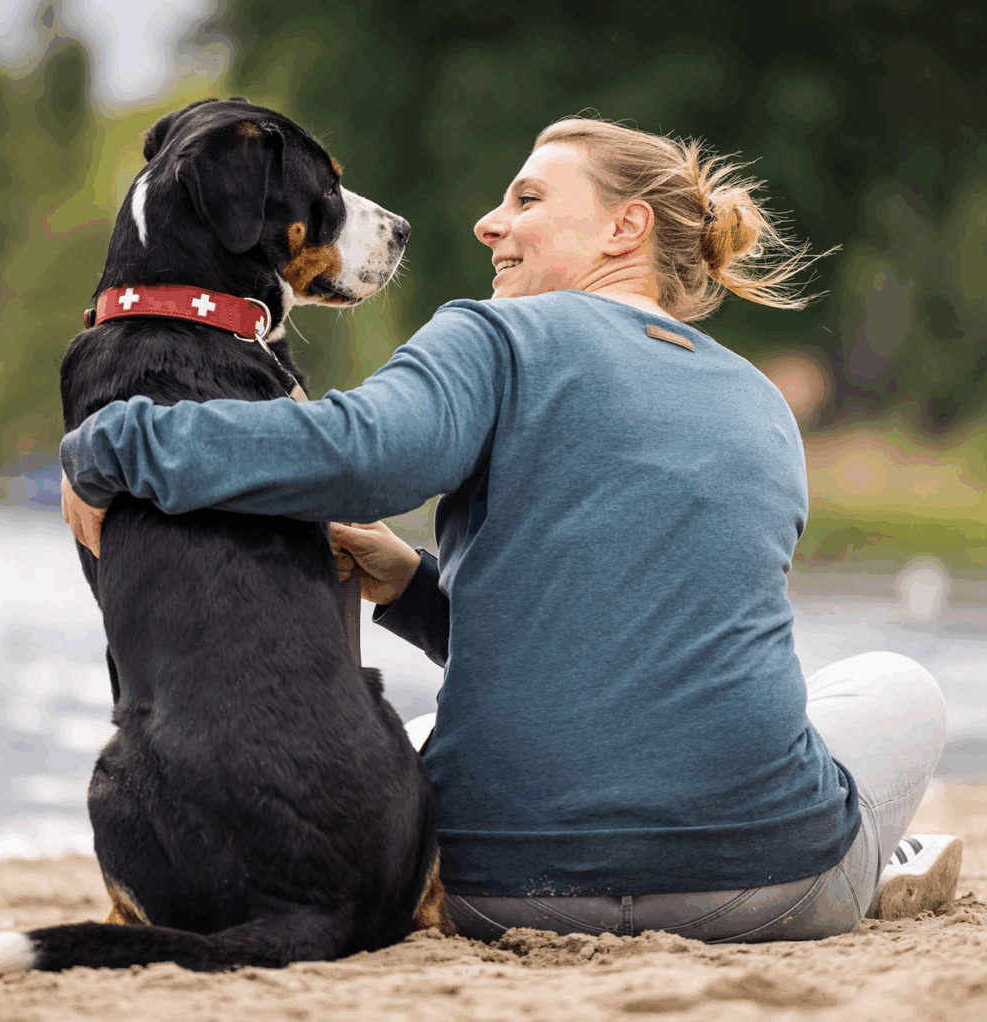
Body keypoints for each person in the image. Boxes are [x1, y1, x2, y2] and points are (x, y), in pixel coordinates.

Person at [60, 117, 962, 942]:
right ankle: (875, 857)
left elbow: (360, 452)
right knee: (896, 685)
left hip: (500, 887)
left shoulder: (493, 338)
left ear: (626, 228)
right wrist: (414, 587)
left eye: (527, 200)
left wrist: (110, 441)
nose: (489, 224)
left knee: (416, 734)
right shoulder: (764, 407)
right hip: (772, 888)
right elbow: (628, 650)